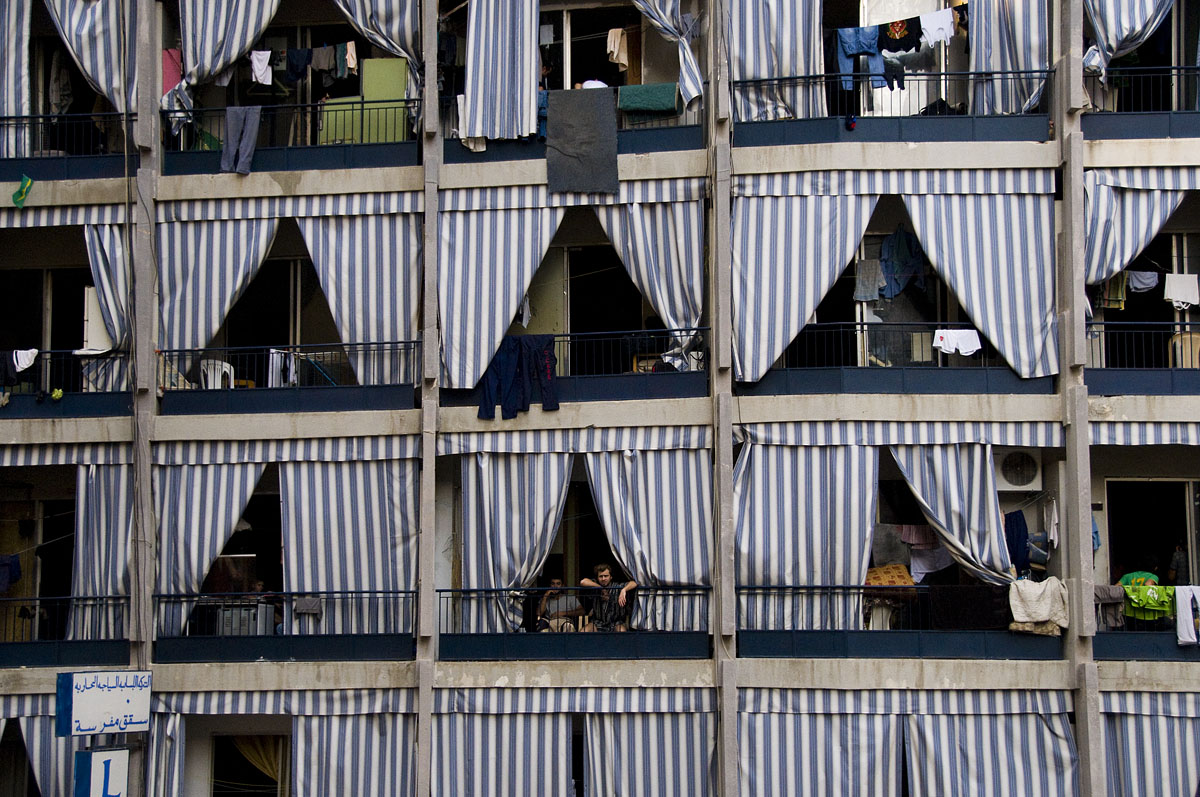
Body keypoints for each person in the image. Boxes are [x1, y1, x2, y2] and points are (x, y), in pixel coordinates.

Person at [579, 563, 636, 632]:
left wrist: (624, 590)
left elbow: (634, 583)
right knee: (584, 631)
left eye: (606, 576)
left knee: (622, 632)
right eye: (601, 576)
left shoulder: (617, 587)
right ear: (597, 578)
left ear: (610, 577)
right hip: (597, 622)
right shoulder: (595, 586)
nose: (603, 579)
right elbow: (583, 582)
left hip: (616, 623)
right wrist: (600, 588)